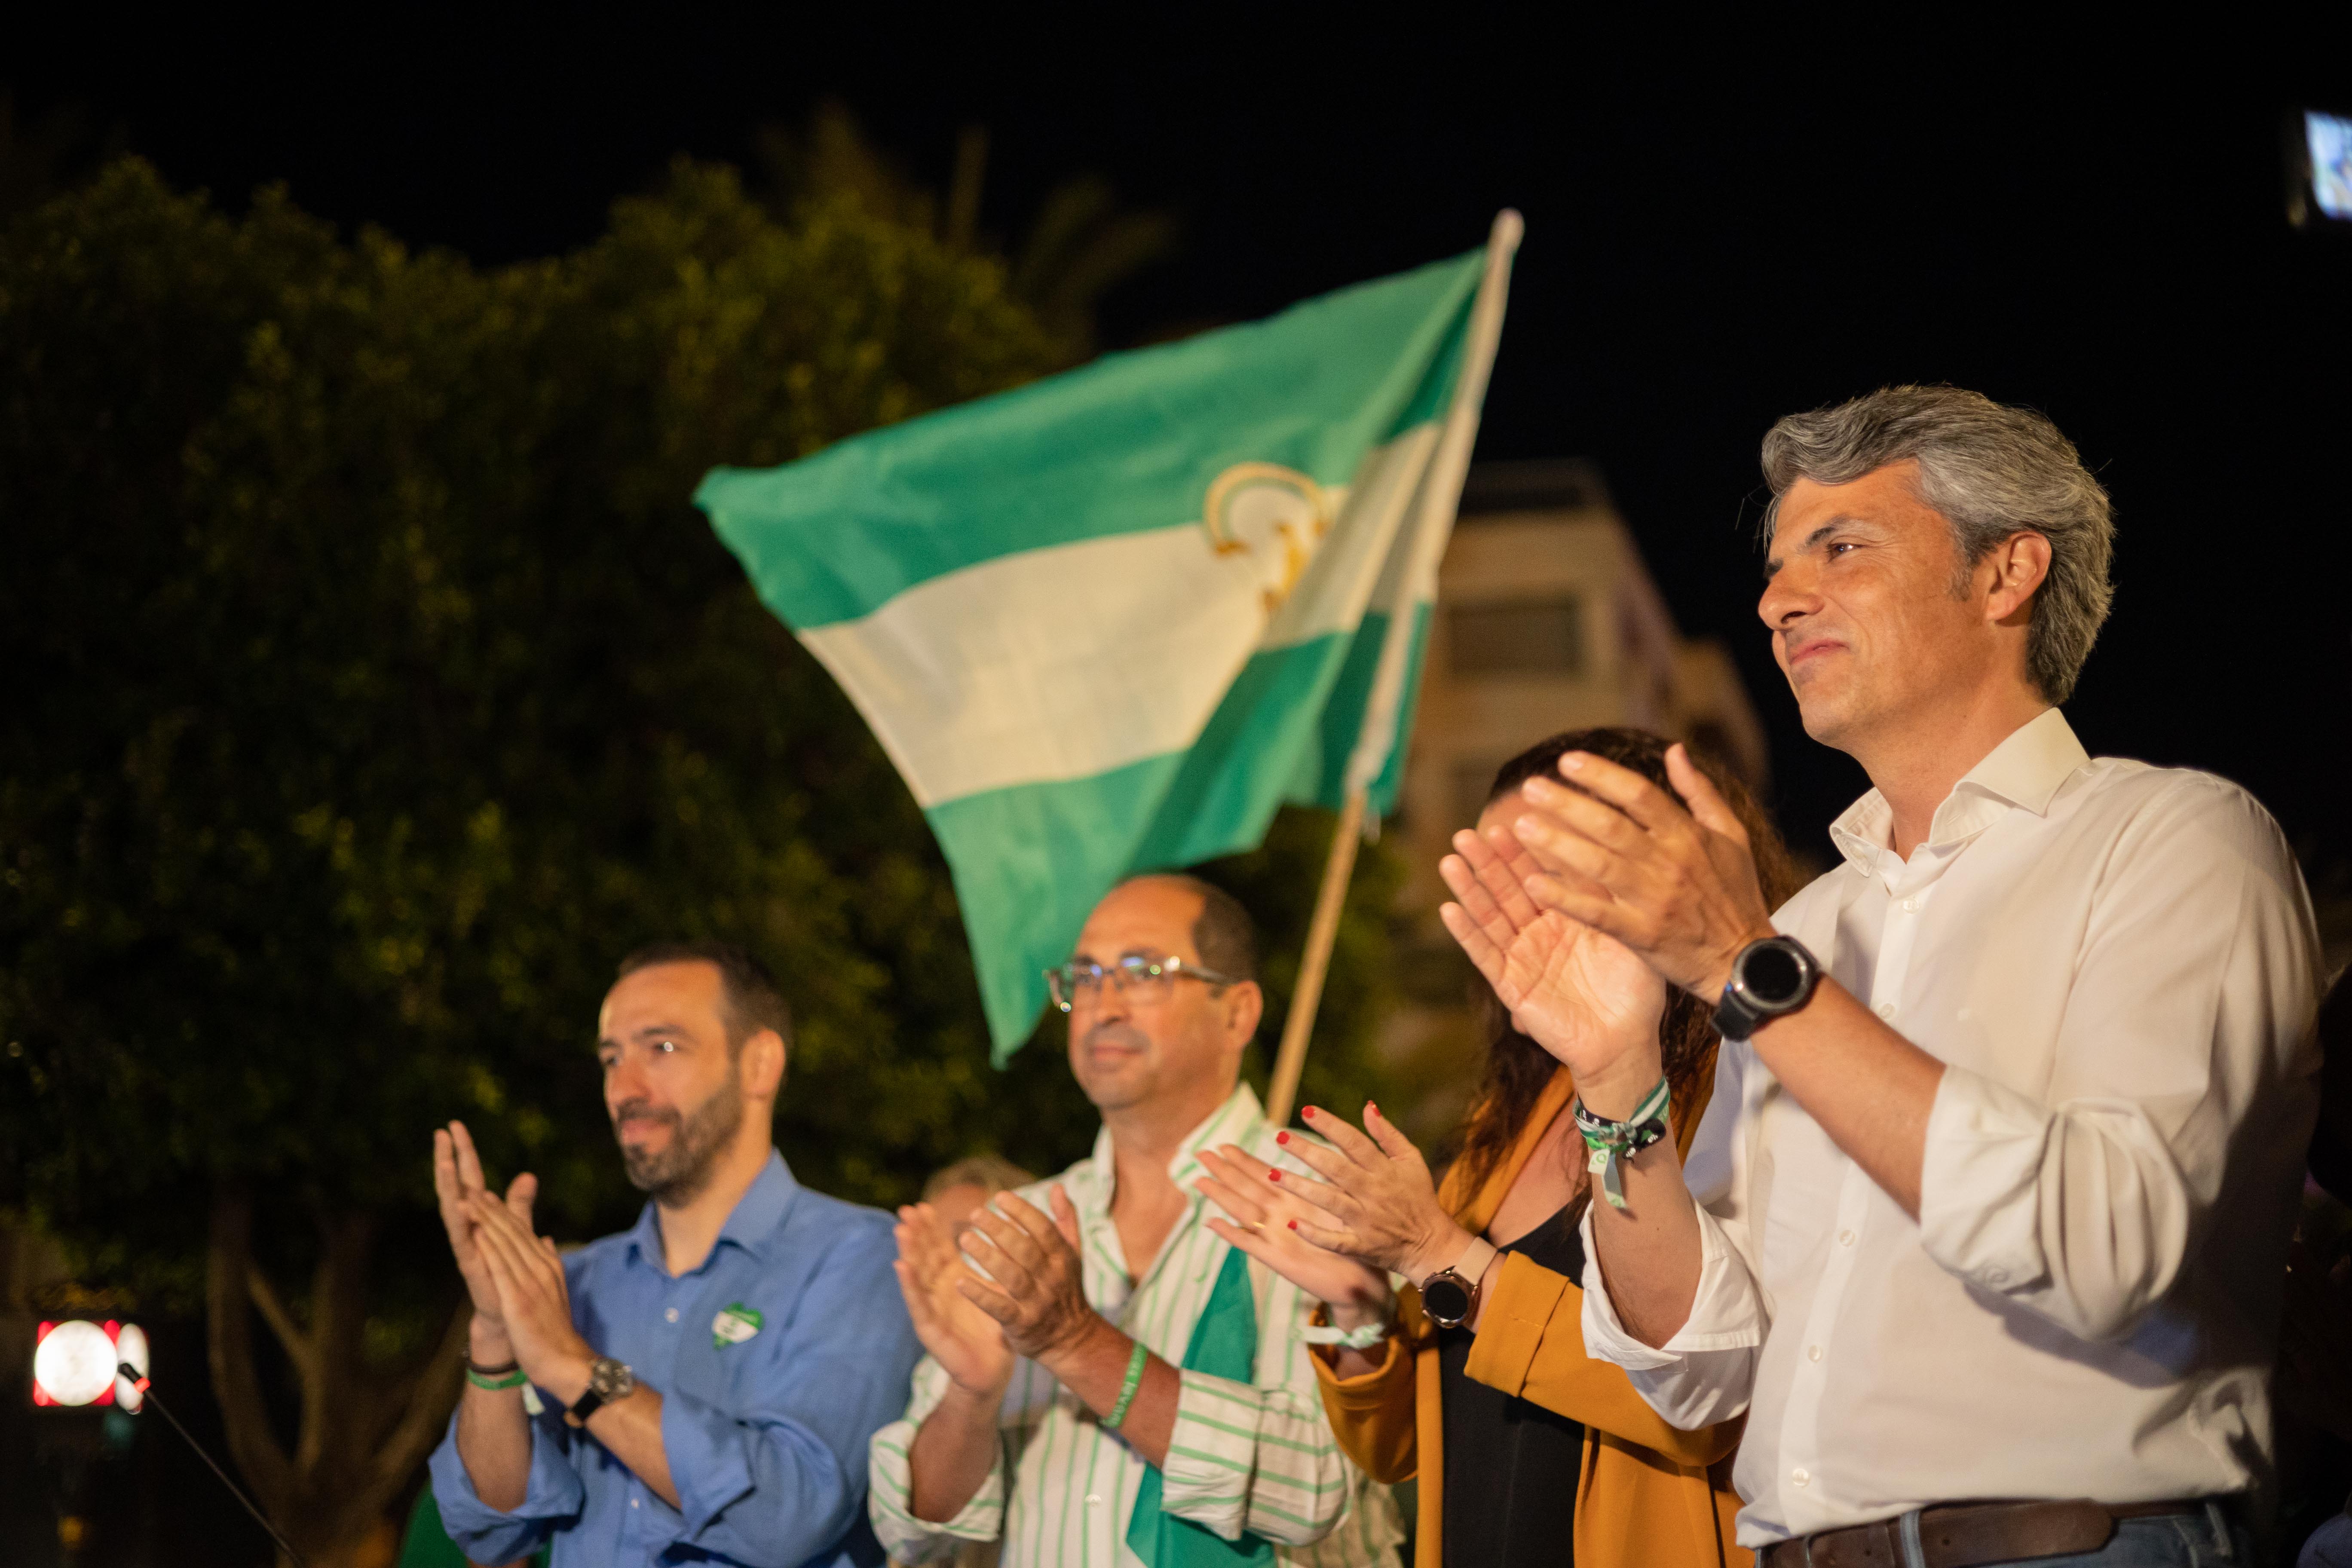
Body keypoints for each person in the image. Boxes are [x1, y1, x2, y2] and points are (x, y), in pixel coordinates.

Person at [1451, 385, 2320, 1566]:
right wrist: (1616, 1081)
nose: (1777, 601)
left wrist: (1745, 969)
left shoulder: (2175, 840)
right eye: (1775, 568)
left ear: (2006, 573)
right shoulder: (1809, 926)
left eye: (1841, 548)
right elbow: (1699, 1366)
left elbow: (2108, 1247)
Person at [1197, 728, 1796, 1568]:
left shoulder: (1746, 1084)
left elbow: (1699, 1408)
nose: (1511, 907)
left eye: (1544, 869)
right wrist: (1363, 1311)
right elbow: (1401, 1447)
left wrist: (1442, 1256)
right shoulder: (1508, 1118)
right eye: (1488, 878)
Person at [867, 874, 1402, 1565]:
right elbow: (914, 1534)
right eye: (1085, 977)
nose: (1103, 1006)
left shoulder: (1319, 1196)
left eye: (1144, 973)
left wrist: (1076, 1344)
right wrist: (970, 1397)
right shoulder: (1023, 1225)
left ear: (1238, 1013)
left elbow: (1313, 1488)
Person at [427, 941, 922, 1567]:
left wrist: (577, 1370)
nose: (624, 1089)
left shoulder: (859, 1257)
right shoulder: (576, 1285)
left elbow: (790, 1516)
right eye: (611, 1058)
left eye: (662, 1048)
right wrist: (496, 1339)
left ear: (760, 1065)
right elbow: (491, 1530)